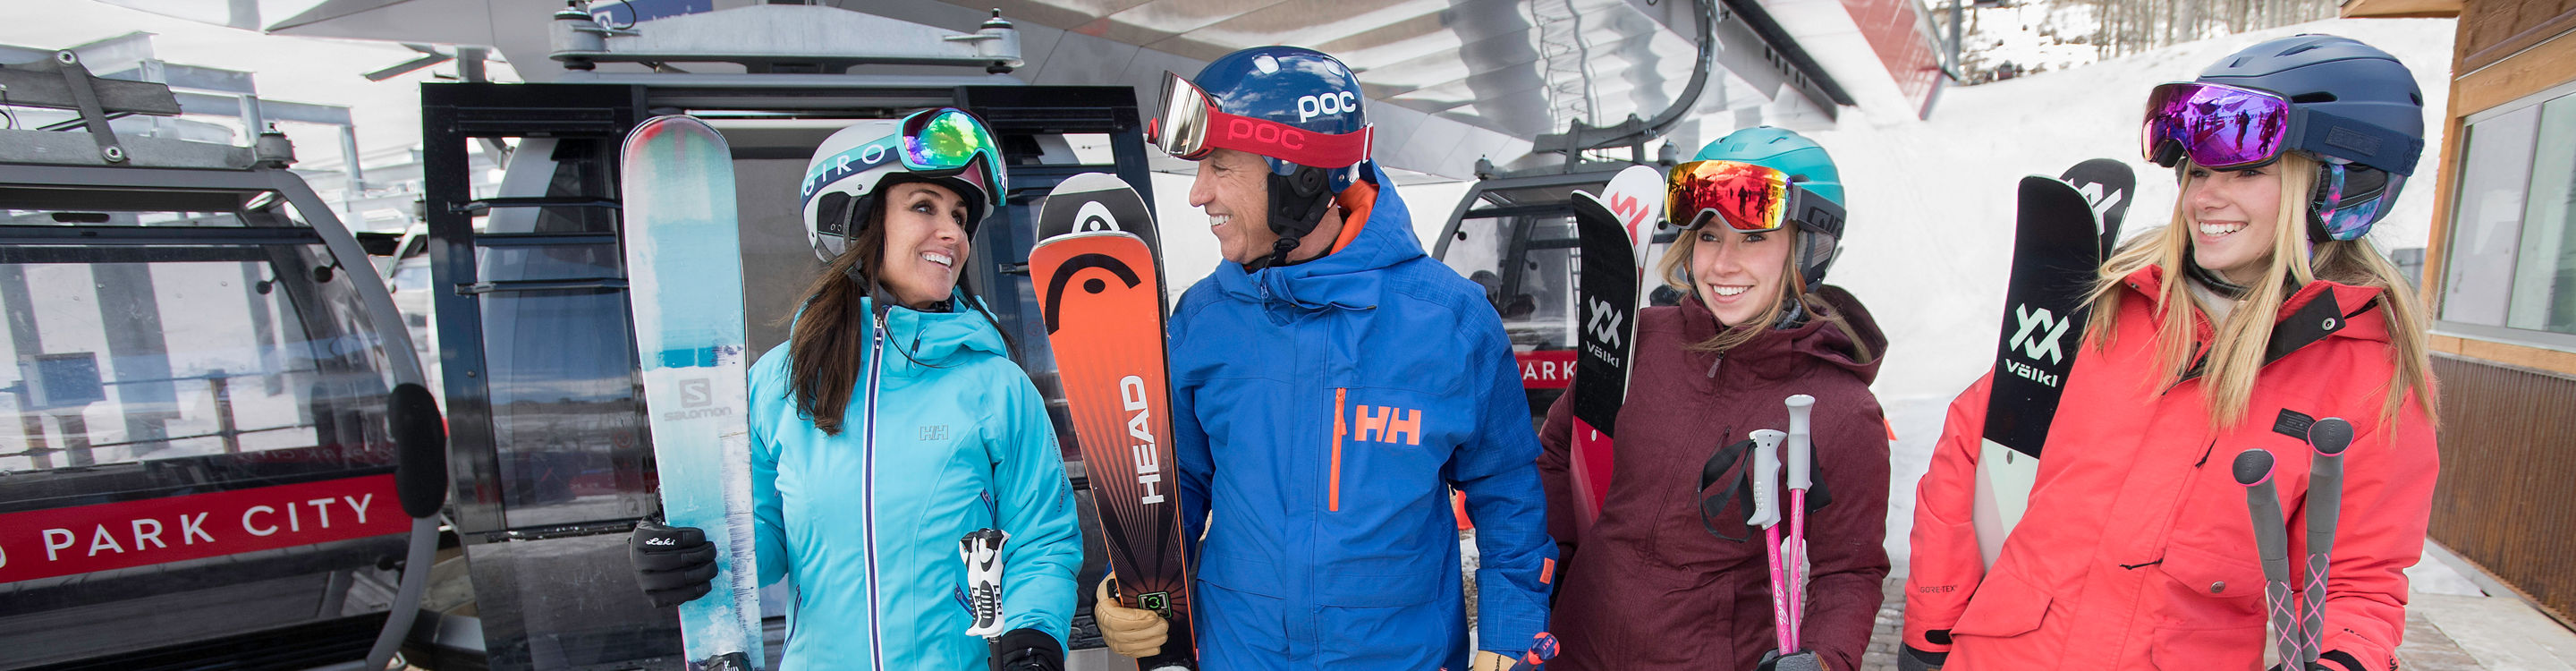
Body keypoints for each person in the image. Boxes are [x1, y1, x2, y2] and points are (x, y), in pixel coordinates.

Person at [1902, 34, 2438, 671]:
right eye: (2199, 171)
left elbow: (2358, 577)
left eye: (2246, 172)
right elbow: (1973, 455)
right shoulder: (2106, 303)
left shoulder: (2368, 377)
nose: (2203, 198)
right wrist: (1929, 633)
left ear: (2336, 184)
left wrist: (2342, 660)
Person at [1087, 46, 1557, 671]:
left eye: (1221, 166)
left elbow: (1506, 489)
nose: (1199, 193)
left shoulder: (1450, 321)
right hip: (1242, 654)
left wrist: (1511, 630)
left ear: (1301, 180)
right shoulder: (1205, 317)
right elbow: (1175, 485)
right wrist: (1136, 589)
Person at [626, 108, 1081, 671]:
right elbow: (765, 536)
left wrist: (1033, 643)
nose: (953, 234)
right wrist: (700, 554)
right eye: (924, 207)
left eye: (961, 217)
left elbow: (1041, 541)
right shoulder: (781, 381)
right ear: (860, 219)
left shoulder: (995, 387)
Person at [1536, 127, 1891, 671]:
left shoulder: (1839, 410)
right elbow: (1562, 447)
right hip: (1577, 649)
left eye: (1753, 239)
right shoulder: (1640, 339)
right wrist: (1552, 566)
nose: (1722, 264)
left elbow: (1848, 570)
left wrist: (1824, 658)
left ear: (1807, 247)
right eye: (1708, 236)